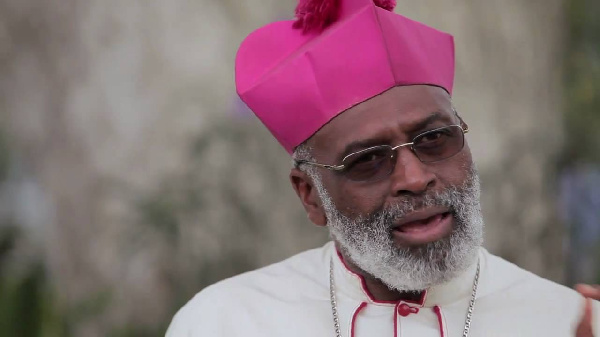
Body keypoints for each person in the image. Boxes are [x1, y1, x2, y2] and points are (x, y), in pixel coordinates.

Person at [166, 0, 600, 335]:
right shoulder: (224, 322)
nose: (414, 178)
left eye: (434, 139)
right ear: (311, 195)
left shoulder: (568, 321)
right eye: (367, 161)